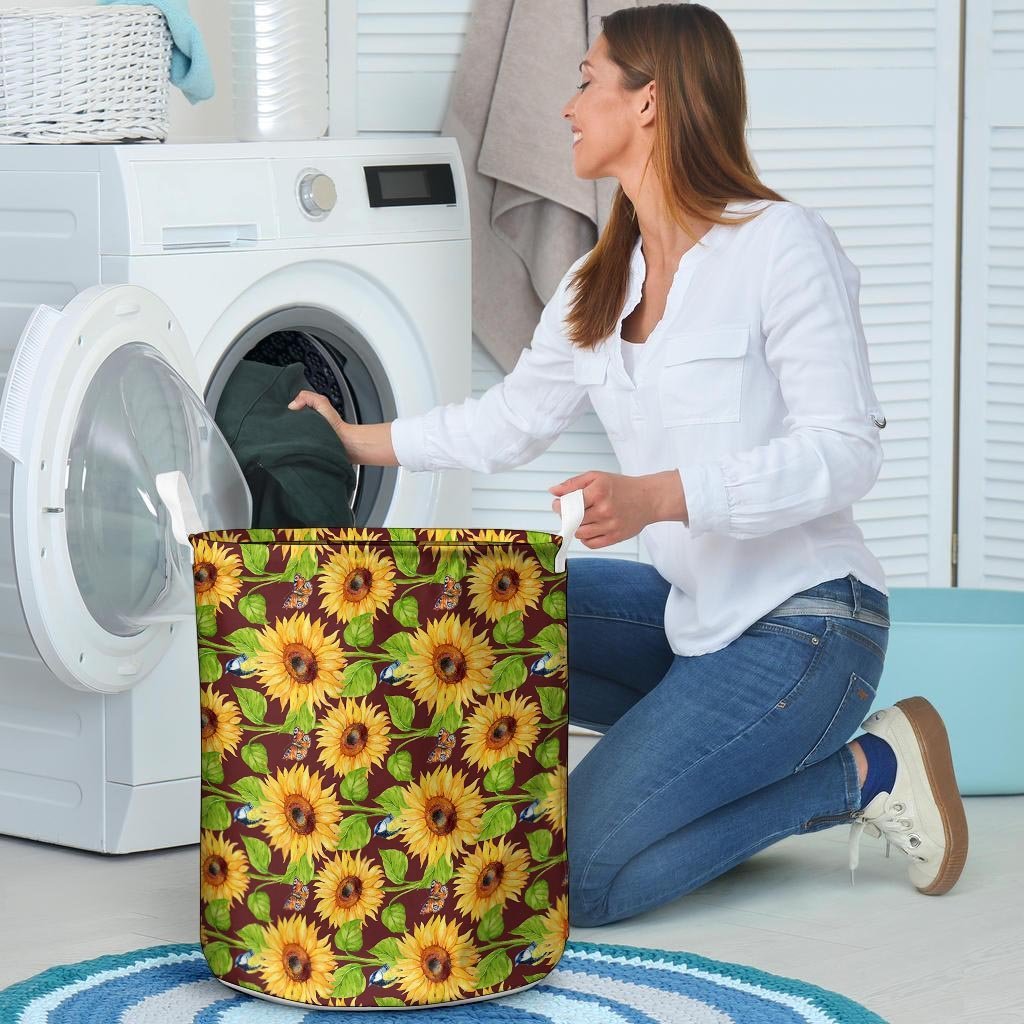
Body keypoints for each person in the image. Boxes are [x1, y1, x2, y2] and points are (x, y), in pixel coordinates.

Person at [288, 2, 968, 929]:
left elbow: (846, 454)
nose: (567, 107)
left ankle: (865, 772)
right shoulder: (597, 281)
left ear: (648, 103)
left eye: (585, 81)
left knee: (579, 882)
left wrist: (661, 498)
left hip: (810, 628)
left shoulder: (778, 244)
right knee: (478, 611)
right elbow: (508, 422)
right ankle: (618, 781)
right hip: (695, 621)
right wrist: (360, 437)